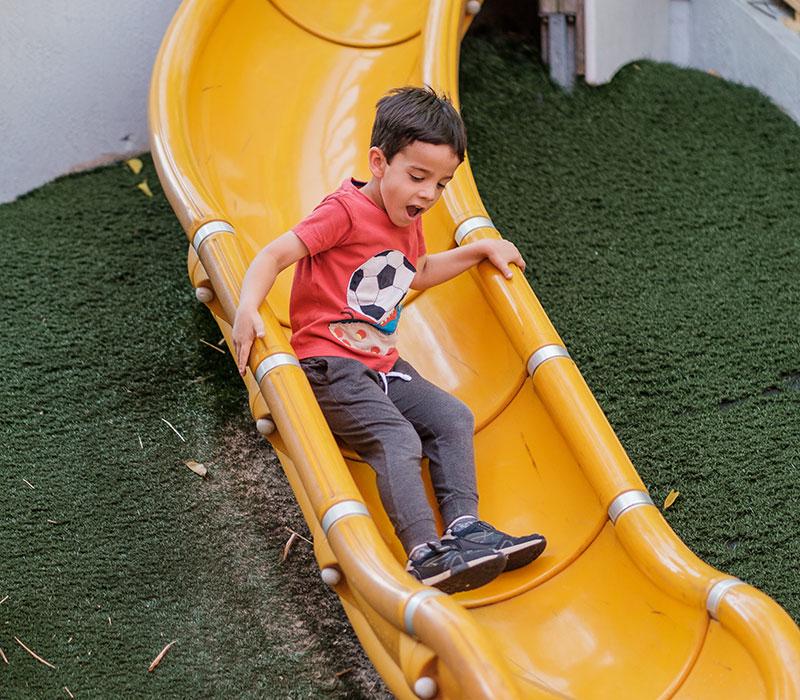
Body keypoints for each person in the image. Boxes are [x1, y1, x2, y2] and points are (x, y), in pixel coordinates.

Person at [232, 86, 546, 594]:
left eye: (441, 184)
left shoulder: (410, 221)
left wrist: (478, 249)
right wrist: (247, 308)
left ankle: (467, 528)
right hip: (329, 367)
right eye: (417, 177)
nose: (427, 194)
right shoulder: (344, 211)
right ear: (380, 162)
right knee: (398, 439)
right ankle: (425, 552)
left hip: (381, 364)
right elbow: (274, 255)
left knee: (452, 416)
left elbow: (414, 272)